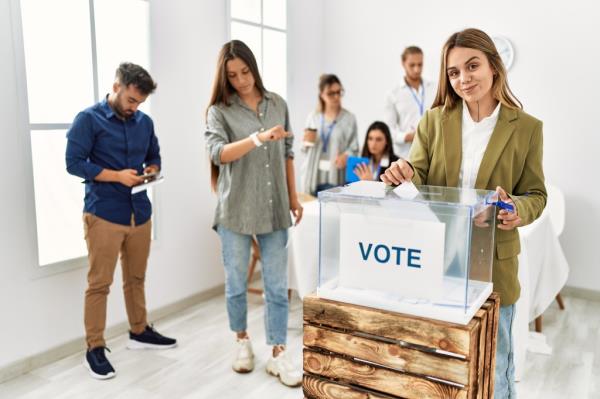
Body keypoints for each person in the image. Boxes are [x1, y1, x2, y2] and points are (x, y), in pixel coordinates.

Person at [381, 28, 546, 399]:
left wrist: (517, 208)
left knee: (495, 366)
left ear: (494, 67)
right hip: (438, 260)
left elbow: (536, 193)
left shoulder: (527, 129)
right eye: (454, 72)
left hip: (495, 267)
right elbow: (418, 176)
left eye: (472, 66)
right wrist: (404, 173)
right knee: (443, 363)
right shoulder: (433, 121)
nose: (463, 78)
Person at [66, 63, 177, 380]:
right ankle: (94, 348)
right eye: (130, 100)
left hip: (140, 212)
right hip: (104, 213)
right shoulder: (88, 119)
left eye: (139, 103)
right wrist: (116, 176)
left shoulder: (145, 122)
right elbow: (73, 163)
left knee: (136, 278)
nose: (134, 107)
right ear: (116, 86)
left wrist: (152, 169)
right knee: (99, 284)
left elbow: (154, 154)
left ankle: (139, 331)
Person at [204, 40, 303, 387]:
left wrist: (293, 197)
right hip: (235, 210)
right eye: (232, 76)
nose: (241, 80)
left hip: (275, 207)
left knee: (277, 286)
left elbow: (288, 153)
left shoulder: (278, 104)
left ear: (254, 67)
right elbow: (218, 154)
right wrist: (258, 139)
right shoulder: (219, 110)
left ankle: (278, 352)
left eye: (245, 72)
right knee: (236, 284)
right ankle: (242, 341)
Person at [301, 74, 359, 195]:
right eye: (331, 93)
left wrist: (346, 156)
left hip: (336, 177)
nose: (336, 96)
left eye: (339, 92)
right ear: (322, 95)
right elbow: (304, 150)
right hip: (313, 177)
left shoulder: (349, 118)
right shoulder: (313, 117)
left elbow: (354, 148)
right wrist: (306, 142)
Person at [384, 46, 436, 159]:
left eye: (420, 64)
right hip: (406, 155)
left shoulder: (434, 88)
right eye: (412, 65)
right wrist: (407, 137)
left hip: (432, 150)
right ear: (403, 63)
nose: (416, 69)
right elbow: (388, 130)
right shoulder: (393, 93)